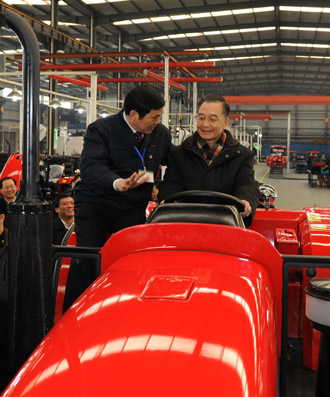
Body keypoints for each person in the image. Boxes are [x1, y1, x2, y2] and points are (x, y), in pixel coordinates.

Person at [63, 84, 171, 310]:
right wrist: (117, 183)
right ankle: (74, 312)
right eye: (154, 117)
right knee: (88, 255)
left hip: (133, 205)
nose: (157, 122)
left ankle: (126, 307)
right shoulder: (101, 129)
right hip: (97, 202)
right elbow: (91, 167)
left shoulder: (160, 134)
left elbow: (177, 163)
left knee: (132, 258)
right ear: (133, 115)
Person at [158, 94, 259, 227]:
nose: (205, 124)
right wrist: (167, 199)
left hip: (226, 225)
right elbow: (171, 184)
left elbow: (246, 184)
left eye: (212, 119)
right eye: (201, 118)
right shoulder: (179, 153)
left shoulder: (242, 155)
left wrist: (245, 201)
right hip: (185, 224)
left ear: (226, 123)